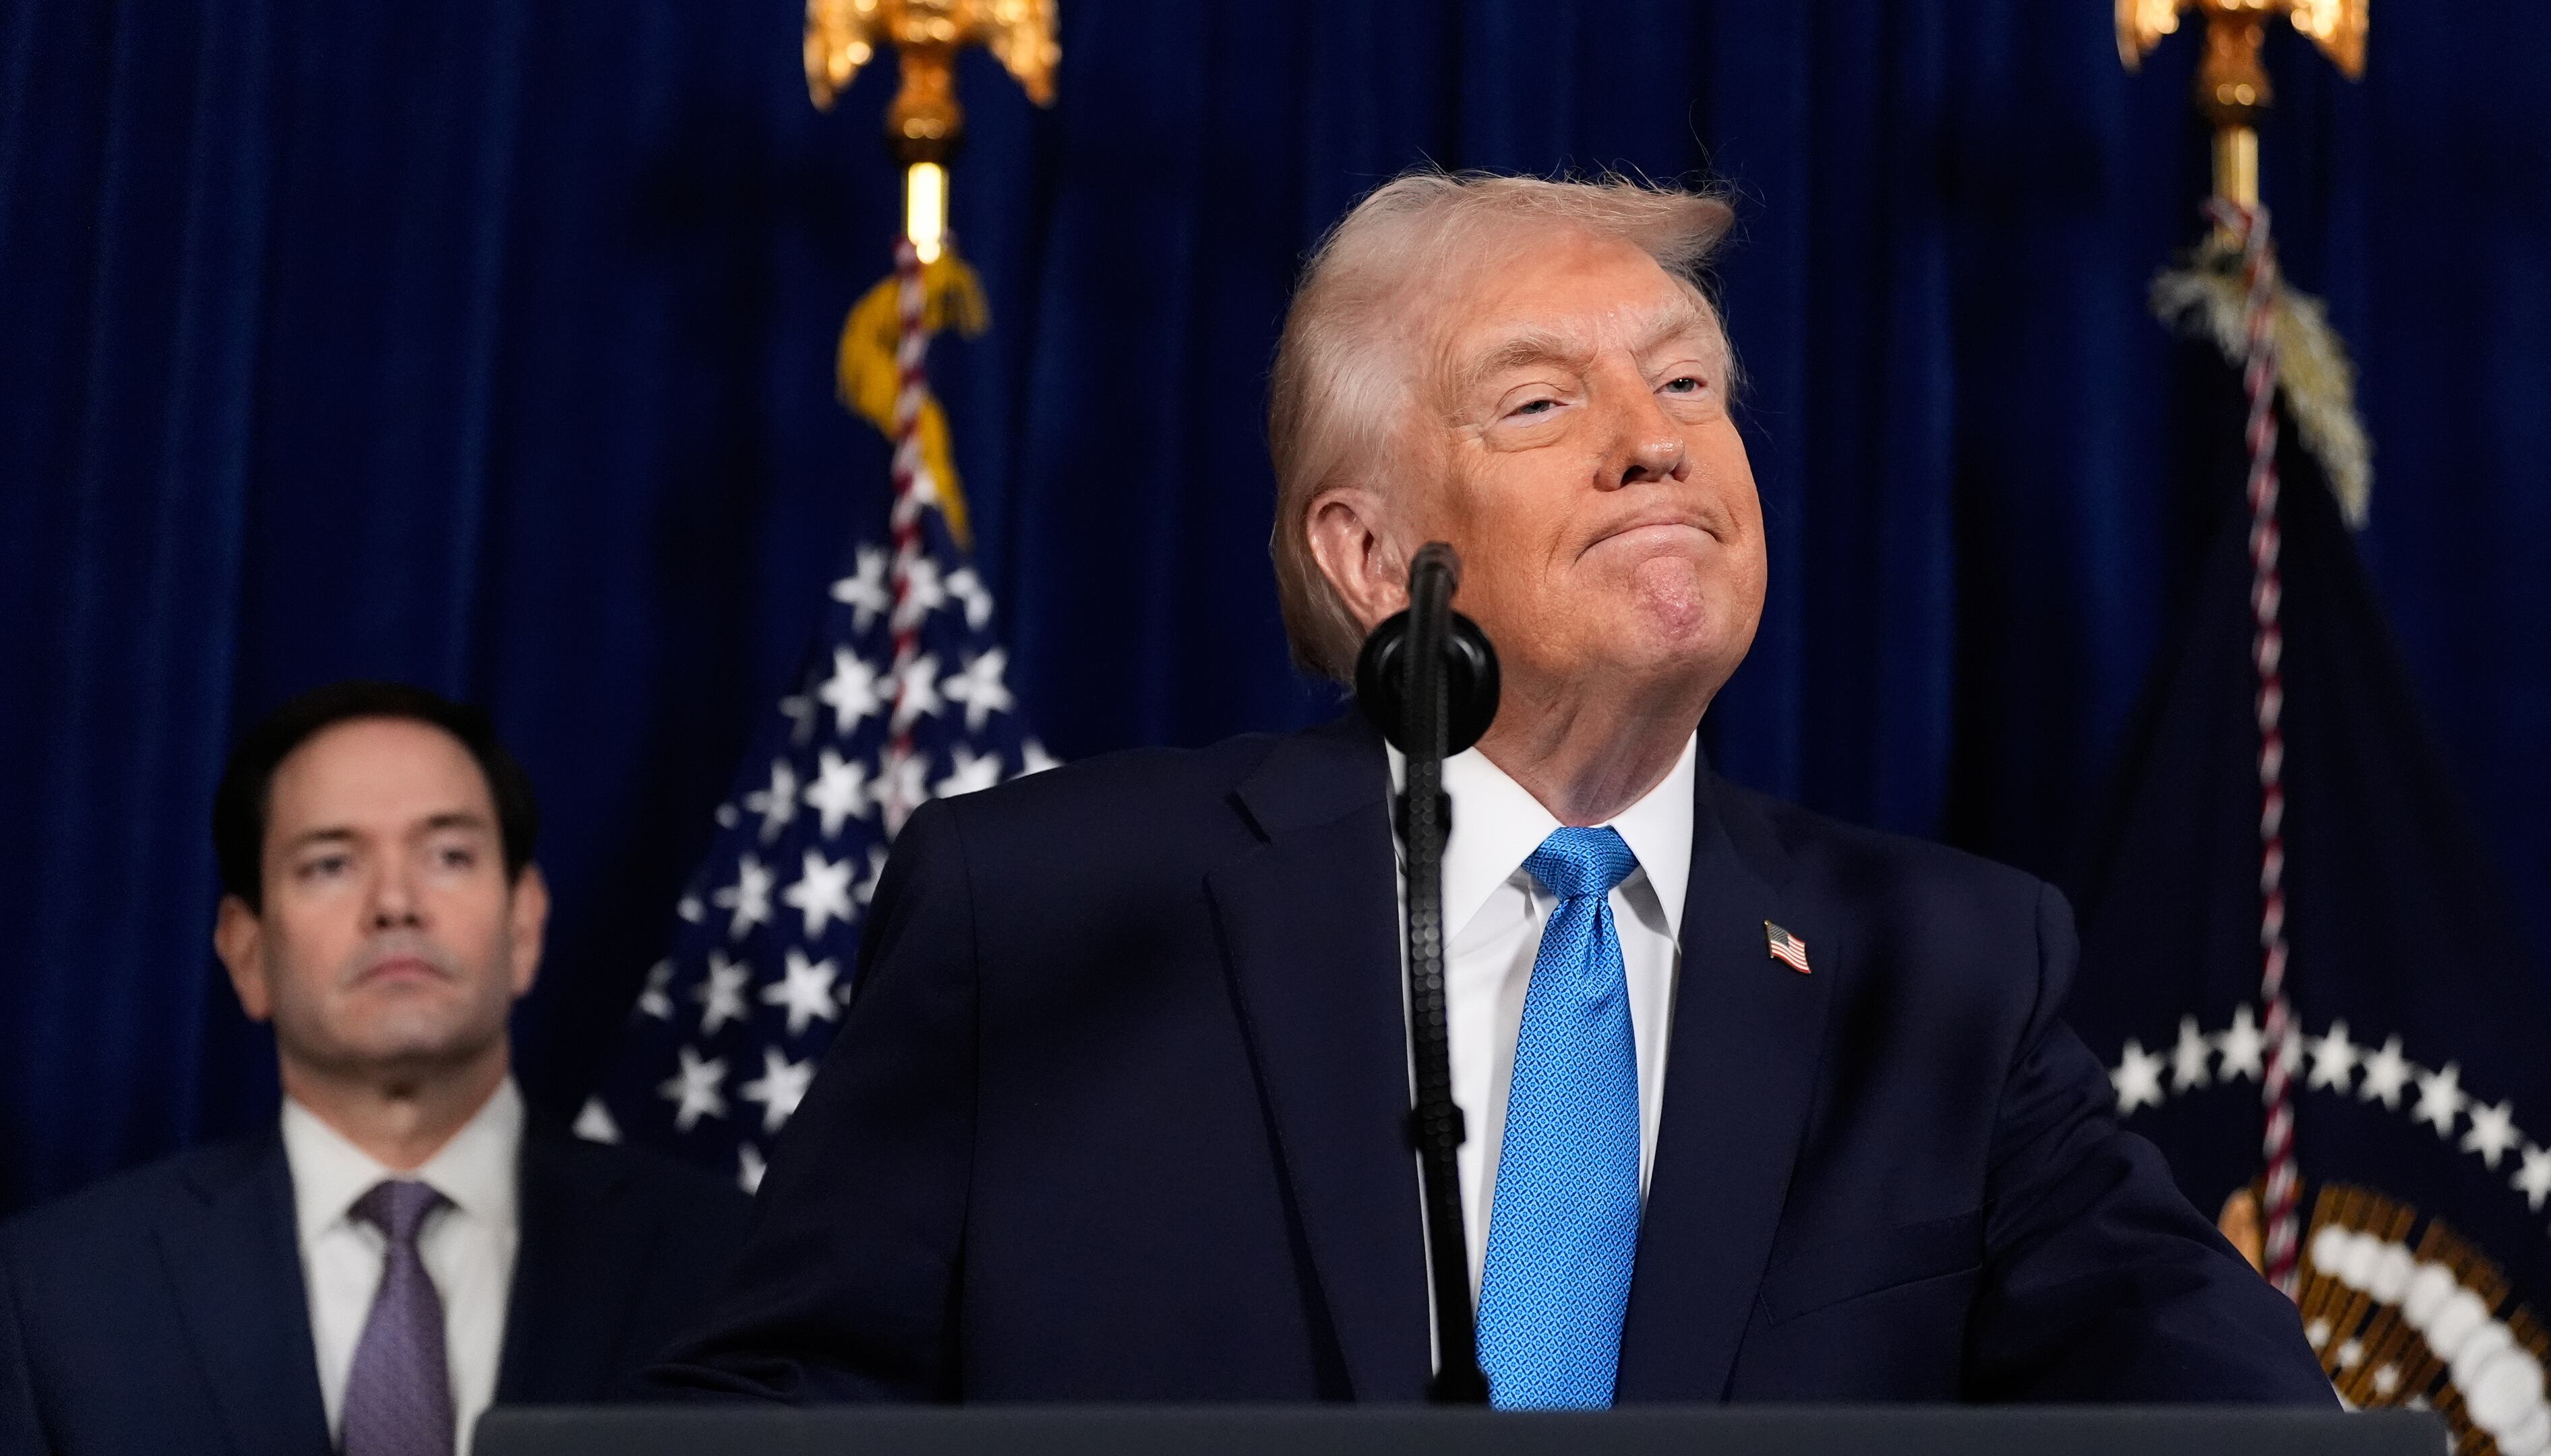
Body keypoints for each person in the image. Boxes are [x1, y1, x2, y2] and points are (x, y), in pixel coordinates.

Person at [651, 173, 2333, 1405]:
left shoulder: (1949, 973)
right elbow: (778, 1408)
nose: (1653, 437)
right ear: (1370, 554)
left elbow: (2243, 1420)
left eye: (1685, 382)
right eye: (1542, 399)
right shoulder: (1048, 912)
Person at [0, 681, 751, 1456]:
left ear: (524, 924)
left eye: (448, 856)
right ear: (246, 948)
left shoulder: (728, 1265)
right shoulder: (57, 1292)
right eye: (330, 864)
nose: (395, 903)